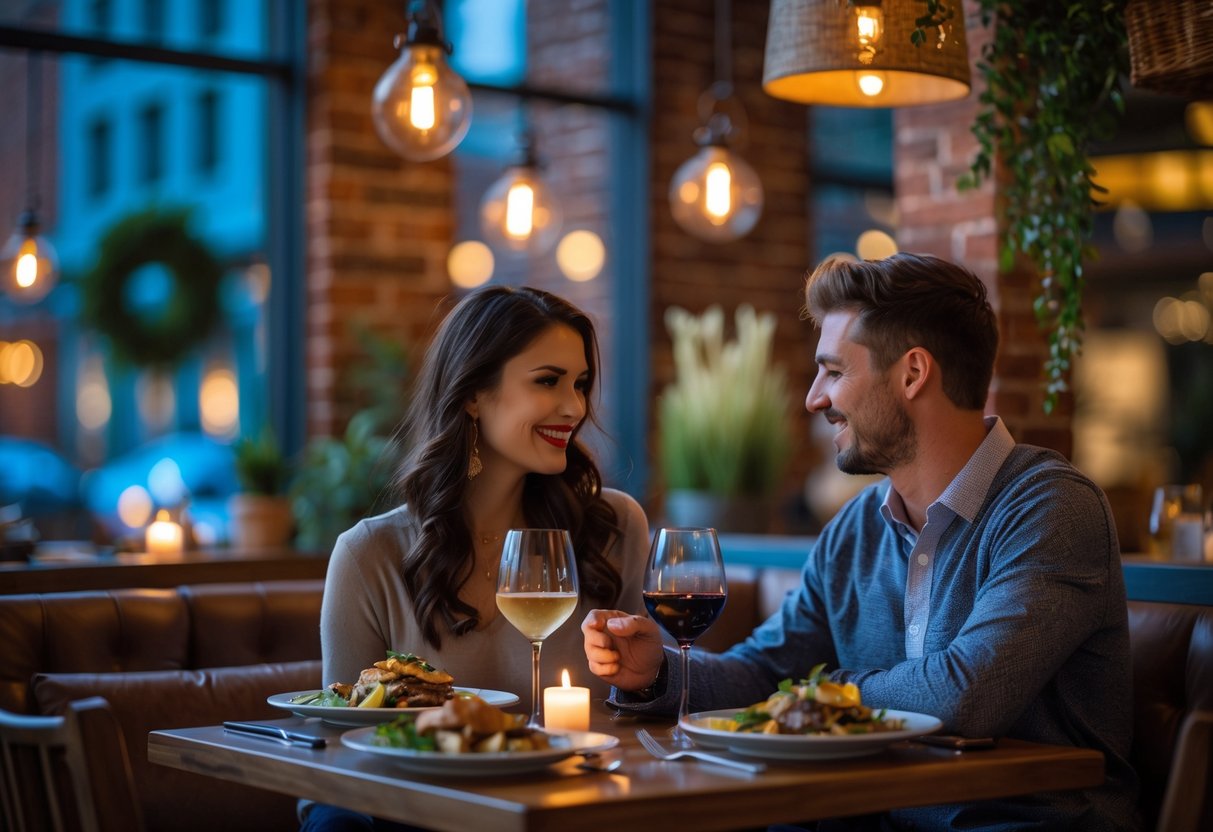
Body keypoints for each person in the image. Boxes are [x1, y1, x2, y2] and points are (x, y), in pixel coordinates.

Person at [583, 253, 1139, 831]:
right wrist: (659, 673)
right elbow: (769, 672)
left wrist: (827, 693)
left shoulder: (1050, 508)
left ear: (913, 373)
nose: (814, 398)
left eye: (833, 371)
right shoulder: (855, 527)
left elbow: (968, 696)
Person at [305, 285, 649, 832]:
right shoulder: (369, 555)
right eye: (548, 381)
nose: (576, 407)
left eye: (580, 384)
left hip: (576, 813)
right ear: (472, 394)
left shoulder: (614, 529)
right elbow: (336, 758)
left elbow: (641, 717)